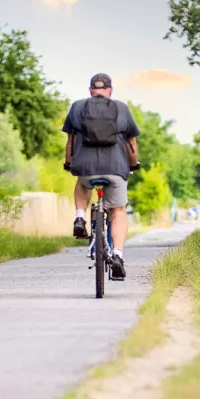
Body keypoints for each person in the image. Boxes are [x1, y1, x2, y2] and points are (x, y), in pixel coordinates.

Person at [63, 73, 140, 281]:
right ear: (110, 90)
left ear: (90, 90)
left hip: (86, 167)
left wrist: (70, 163)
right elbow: (131, 144)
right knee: (118, 212)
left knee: (81, 184)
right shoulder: (121, 109)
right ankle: (117, 255)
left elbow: (70, 141)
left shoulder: (77, 107)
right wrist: (133, 164)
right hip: (116, 168)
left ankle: (79, 215)